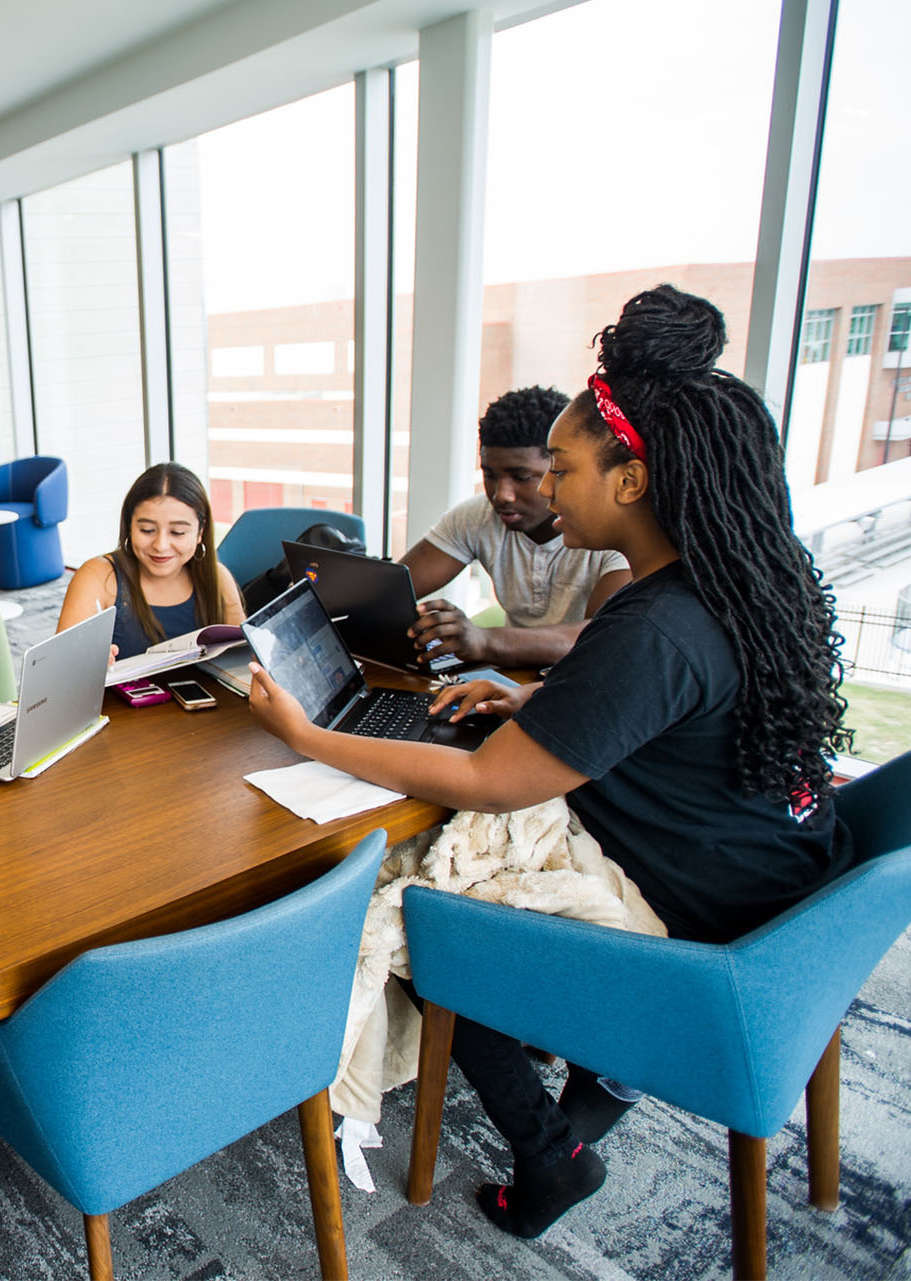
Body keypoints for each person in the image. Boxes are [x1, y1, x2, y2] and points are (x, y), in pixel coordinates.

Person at [246, 285, 856, 1241]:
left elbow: (495, 783)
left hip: (706, 929)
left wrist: (308, 737)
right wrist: (536, 701)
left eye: (561, 469)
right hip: (785, 880)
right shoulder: (725, 578)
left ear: (630, 480)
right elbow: (663, 714)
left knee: (428, 915)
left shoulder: (650, 623)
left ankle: (553, 1148)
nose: (543, 492)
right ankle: (593, 1081)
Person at [398, 386, 632, 668]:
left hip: (580, 678)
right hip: (512, 676)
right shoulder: (477, 516)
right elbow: (394, 592)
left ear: (559, 468)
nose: (501, 495)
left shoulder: (611, 531)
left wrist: (484, 640)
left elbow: (599, 638)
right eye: (490, 475)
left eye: (521, 477)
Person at [55, 462, 244, 660]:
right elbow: (60, 667)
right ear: (129, 526)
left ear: (200, 533)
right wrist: (85, 660)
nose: (161, 545)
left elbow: (242, 663)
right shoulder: (99, 576)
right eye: (147, 530)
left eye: (178, 532)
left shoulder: (217, 578)